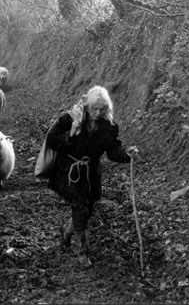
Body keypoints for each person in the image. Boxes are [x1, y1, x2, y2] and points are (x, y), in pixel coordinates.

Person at [45, 85, 138, 266]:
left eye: (101, 109)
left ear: (106, 109)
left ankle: (66, 231)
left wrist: (127, 154)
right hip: (70, 173)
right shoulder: (69, 119)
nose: (97, 113)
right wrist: (70, 135)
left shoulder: (109, 127)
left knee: (87, 211)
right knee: (80, 210)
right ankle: (82, 253)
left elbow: (112, 151)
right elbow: (52, 140)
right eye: (94, 108)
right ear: (87, 106)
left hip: (91, 174)